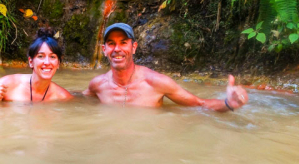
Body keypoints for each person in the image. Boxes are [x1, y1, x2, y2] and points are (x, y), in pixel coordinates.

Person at [83, 23, 248, 111]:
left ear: (133, 47)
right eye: (111, 44)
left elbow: (200, 104)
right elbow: (74, 99)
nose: (117, 49)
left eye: (123, 43)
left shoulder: (156, 82)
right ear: (104, 50)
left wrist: (228, 104)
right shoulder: (97, 85)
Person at [0, 28, 73, 105]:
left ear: (58, 63)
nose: (47, 62)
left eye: (52, 57)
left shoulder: (63, 96)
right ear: (31, 62)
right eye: (41, 56)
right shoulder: (7, 85)